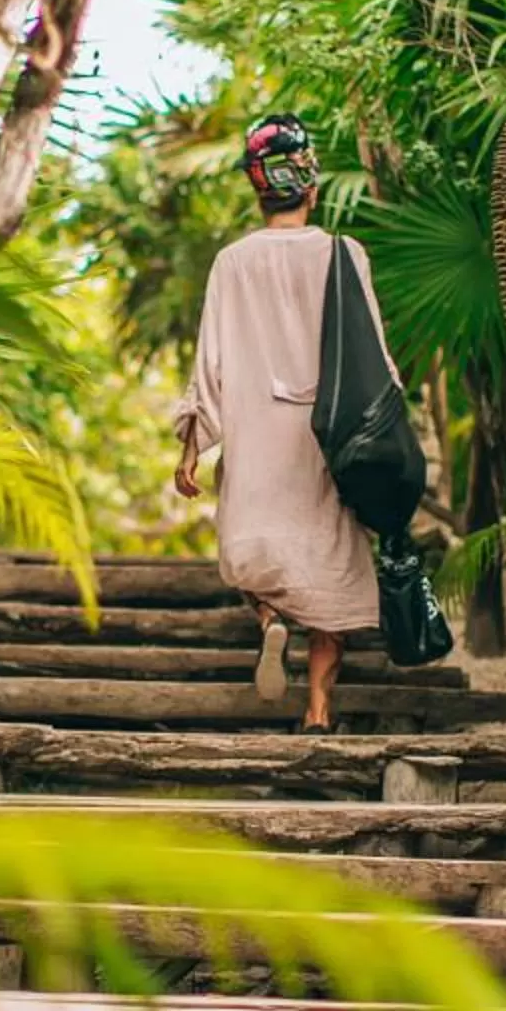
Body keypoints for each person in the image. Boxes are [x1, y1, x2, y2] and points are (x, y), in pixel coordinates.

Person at [172, 113, 395, 731]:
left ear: (257, 188)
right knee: (329, 569)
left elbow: (210, 360)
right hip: (326, 437)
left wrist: (192, 446)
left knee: (253, 554)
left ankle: (270, 623)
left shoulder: (232, 263)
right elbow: (374, 352)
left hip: (256, 435)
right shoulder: (346, 255)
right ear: (312, 188)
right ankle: (319, 711)